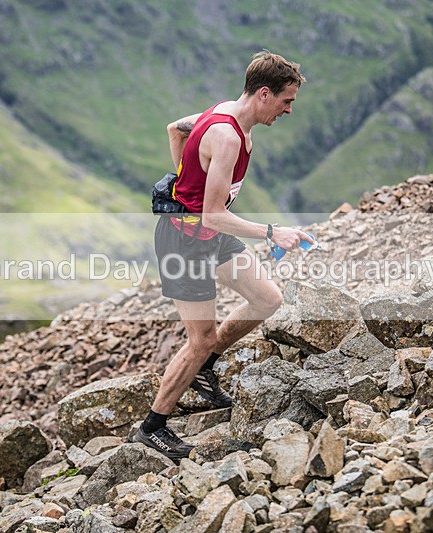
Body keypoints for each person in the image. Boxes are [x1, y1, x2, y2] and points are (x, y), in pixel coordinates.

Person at [135, 51, 315, 460]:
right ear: (264, 94)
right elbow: (213, 215)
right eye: (286, 101)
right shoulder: (228, 136)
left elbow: (175, 129)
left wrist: (188, 183)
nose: (289, 110)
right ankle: (153, 427)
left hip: (210, 235)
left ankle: (204, 370)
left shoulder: (224, 113)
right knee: (200, 339)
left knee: (267, 298)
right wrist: (272, 232)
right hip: (185, 240)